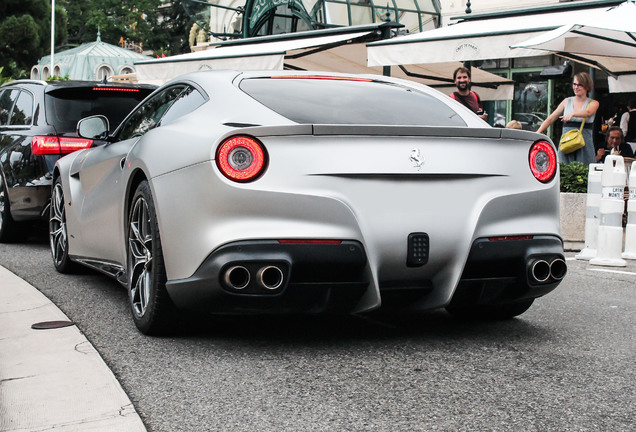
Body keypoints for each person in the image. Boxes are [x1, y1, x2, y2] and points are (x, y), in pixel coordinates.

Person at [537, 72, 599, 164]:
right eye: (574, 84)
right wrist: (538, 132)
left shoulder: (593, 103)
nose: (576, 87)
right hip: (567, 143)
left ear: (587, 86)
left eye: (580, 85)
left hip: (583, 144)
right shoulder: (567, 101)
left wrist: (573, 114)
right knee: (564, 169)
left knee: (584, 170)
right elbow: (551, 118)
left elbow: (588, 112)